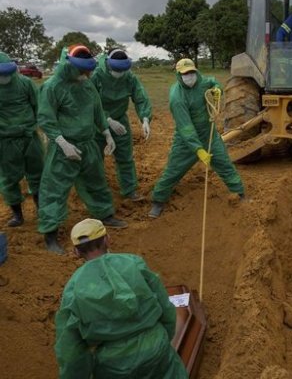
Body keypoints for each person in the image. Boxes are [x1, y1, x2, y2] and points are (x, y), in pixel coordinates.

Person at [54, 218, 188, 379]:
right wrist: (162, 337)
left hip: (114, 365)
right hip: (156, 348)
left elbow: (70, 348)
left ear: (76, 252)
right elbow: (165, 306)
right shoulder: (134, 263)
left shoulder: (73, 289)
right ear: (107, 239)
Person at [37, 44, 126, 254]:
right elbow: (46, 118)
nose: (86, 74)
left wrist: (105, 132)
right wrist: (62, 142)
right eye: (82, 71)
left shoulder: (87, 84)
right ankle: (50, 234)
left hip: (88, 144)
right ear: (69, 66)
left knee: (96, 181)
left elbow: (97, 109)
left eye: (89, 71)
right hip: (63, 148)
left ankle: (105, 214)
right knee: (55, 189)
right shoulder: (52, 87)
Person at [149, 58, 244, 218]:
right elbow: (185, 127)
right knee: (173, 171)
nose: (190, 76)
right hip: (186, 142)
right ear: (179, 75)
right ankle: (158, 201)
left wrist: (217, 89)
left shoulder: (202, 82)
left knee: (225, 165)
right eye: (185, 73)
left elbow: (214, 82)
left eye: (192, 72)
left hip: (209, 135)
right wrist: (198, 150)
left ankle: (239, 194)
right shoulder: (177, 97)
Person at [91, 49, 152, 201]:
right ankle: (98, 193)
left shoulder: (129, 77)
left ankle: (129, 189)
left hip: (120, 121)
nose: (119, 73)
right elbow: (89, 102)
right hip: (97, 122)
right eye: (116, 70)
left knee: (125, 157)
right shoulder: (96, 76)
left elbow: (140, 97)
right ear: (109, 65)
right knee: (95, 159)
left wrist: (144, 118)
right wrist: (108, 120)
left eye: (122, 70)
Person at [0, 51, 44, 227]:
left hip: (29, 136)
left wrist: (40, 127)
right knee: (8, 178)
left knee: (37, 173)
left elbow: (38, 106)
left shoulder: (26, 83)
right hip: (5, 140)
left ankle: (42, 209)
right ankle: (17, 215)